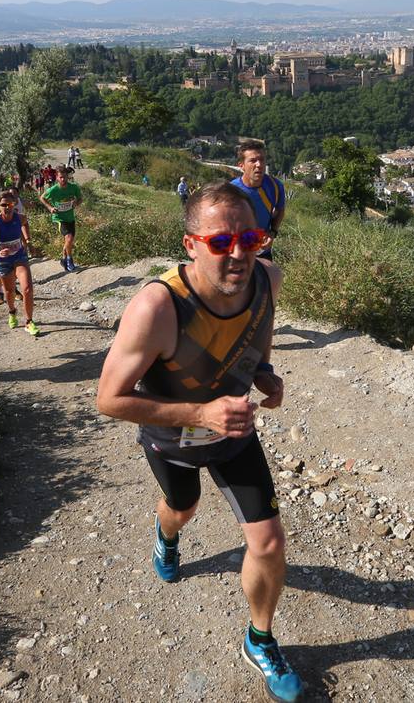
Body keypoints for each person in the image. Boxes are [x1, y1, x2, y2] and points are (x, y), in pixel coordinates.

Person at [96, 181, 300, 702]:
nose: (238, 254)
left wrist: (264, 371)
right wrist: (200, 413)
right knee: (182, 507)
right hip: (172, 439)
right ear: (190, 245)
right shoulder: (157, 307)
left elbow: (261, 327)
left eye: (249, 238)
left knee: (269, 542)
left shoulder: (267, 278)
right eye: (220, 242)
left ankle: (259, 639)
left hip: (233, 435)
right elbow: (110, 399)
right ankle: (166, 537)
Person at [0, 191, 40, 336]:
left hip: (19, 257)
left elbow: (25, 224)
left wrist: (28, 241)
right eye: (3, 205)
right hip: (3, 262)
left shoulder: (19, 217)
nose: (7, 207)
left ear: (14, 204)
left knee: (27, 289)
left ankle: (29, 322)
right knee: (9, 292)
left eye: (10, 204)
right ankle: (12, 311)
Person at [230, 141, 286, 261]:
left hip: (262, 252)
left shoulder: (275, 186)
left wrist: (273, 232)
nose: (259, 165)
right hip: (237, 252)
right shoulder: (231, 191)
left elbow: (280, 210)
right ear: (241, 165)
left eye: (262, 160)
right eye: (253, 160)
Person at [41, 166, 83, 272]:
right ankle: (70, 260)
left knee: (69, 241)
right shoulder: (53, 189)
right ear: (57, 177)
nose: (63, 179)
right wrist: (50, 208)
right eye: (61, 177)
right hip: (59, 218)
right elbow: (42, 198)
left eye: (64, 177)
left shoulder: (74, 187)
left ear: (67, 177)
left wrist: (76, 203)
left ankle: (63, 259)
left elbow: (80, 198)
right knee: (68, 238)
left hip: (70, 218)